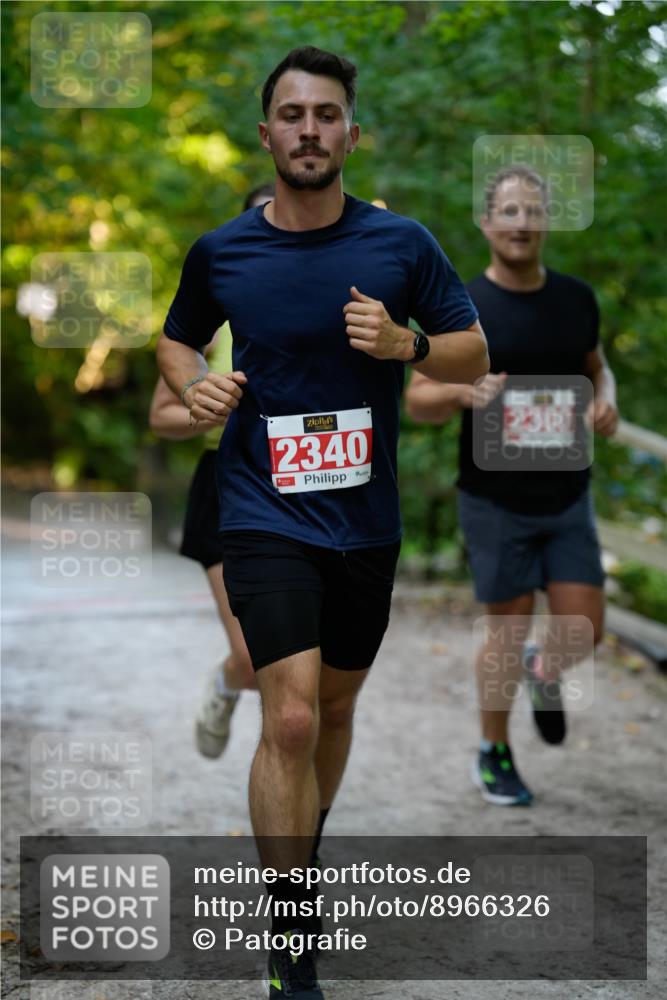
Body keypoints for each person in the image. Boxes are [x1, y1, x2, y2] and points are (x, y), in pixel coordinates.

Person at [156, 45, 488, 998]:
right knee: (291, 716)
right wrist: (198, 384)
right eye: (292, 115)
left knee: (333, 710)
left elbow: (469, 355)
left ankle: (300, 840)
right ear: (266, 134)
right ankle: (291, 928)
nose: (309, 129)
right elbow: (176, 337)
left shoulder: (401, 245)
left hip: (364, 521)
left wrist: (407, 342)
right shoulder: (223, 250)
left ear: (350, 131)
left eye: (326, 114)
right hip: (261, 511)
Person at [406, 165, 618, 807]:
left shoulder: (577, 298)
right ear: (487, 221)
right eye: (509, 211)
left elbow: (596, 369)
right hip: (494, 498)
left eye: (533, 211)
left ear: (547, 220)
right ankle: (493, 751)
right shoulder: (461, 310)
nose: (522, 223)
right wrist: (463, 391)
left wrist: (605, 403)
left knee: (585, 626)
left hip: (567, 492)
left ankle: (543, 670)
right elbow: (417, 401)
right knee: (505, 630)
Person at [149, 184, 274, 760]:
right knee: (253, 657)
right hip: (227, 481)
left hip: (312, 487)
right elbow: (162, 415)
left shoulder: (334, 307)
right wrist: (207, 405)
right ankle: (228, 684)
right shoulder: (213, 317)